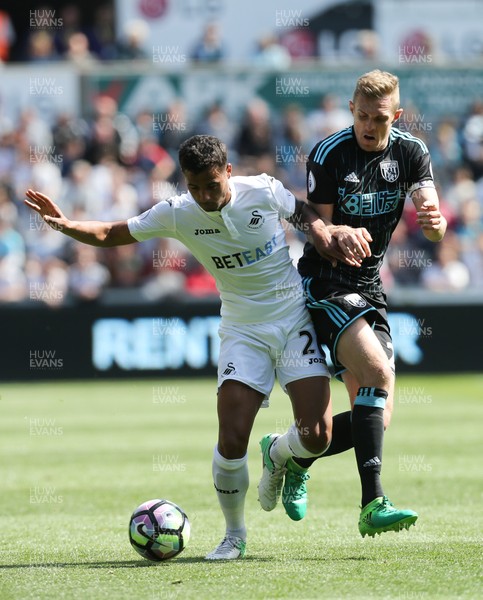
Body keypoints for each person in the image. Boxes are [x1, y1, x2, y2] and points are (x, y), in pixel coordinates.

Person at [24, 134, 347, 560]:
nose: (204, 196)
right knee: (231, 440)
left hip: (292, 318)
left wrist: (322, 231)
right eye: (195, 187)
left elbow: (302, 212)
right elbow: (110, 231)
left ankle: (278, 451)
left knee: (318, 436)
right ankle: (234, 534)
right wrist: (67, 226)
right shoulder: (179, 213)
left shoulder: (263, 190)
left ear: (228, 172)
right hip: (242, 330)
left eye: (212, 185)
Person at [265, 70, 447, 538]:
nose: (369, 125)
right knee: (380, 376)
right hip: (325, 282)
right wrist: (336, 234)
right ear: (351, 110)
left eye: (379, 118)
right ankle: (373, 503)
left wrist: (434, 222)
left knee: (377, 416)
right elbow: (317, 230)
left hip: (369, 286)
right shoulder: (329, 153)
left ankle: (287, 452)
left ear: (397, 116)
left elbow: (433, 219)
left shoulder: (411, 152)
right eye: (362, 115)